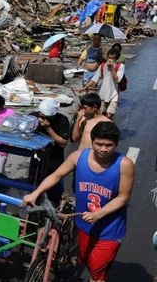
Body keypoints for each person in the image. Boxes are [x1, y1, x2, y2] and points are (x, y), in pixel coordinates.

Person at [22, 121, 135, 282]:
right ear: (92, 141)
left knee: (96, 274)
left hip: (110, 230)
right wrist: (36, 192)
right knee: (88, 262)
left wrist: (99, 214)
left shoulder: (124, 165)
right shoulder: (78, 157)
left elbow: (123, 197)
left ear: (116, 144)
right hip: (83, 224)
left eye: (109, 145)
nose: (103, 149)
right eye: (99, 144)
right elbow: (56, 175)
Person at [27, 98, 70, 206]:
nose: (40, 118)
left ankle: (53, 209)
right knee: (33, 185)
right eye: (40, 115)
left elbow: (63, 143)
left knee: (53, 189)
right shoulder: (34, 117)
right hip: (37, 160)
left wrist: (48, 128)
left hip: (54, 160)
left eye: (44, 117)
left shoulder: (62, 120)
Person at [78, 49, 125, 119]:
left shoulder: (120, 66)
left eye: (113, 58)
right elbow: (94, 79)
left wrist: (112, 68)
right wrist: (84, 88)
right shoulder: (103, 66)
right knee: (100, 115)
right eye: (110, 58)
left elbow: (117, 80)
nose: (111, 60)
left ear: (116, 59)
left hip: (114, 95)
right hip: (102, 94)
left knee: (109, 115)